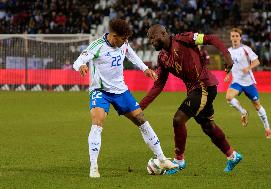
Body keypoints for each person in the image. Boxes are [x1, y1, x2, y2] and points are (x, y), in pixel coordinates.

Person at [73, 19, 178, 178]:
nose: (126, 42)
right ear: (114, 36)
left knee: (141, 120)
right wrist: (80, 65)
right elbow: (79, 60)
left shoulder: (123, 44)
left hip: (121, 91)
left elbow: (131, 54)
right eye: (123, 39)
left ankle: (162, 159)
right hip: (100, 91)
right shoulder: (97, 46)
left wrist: (145, 69)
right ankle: (94, 167)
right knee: (97, 122)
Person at [140, 24, 242, 174]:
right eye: (149, 40)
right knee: (207, 125)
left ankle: (179, 161)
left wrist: (227, 57)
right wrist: (139, 106)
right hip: (194, 90)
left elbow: (212, 38)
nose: (151, 42)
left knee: (178, 119)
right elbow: (159, 84)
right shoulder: (162, 57)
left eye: (153, 38)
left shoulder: (184, 39)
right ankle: (232, 155)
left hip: (204, 85)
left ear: (163, 33)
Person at [224, 28, 271, 138]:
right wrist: (227, 74)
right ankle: (243, 112)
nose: (235, 38)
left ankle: (267, 128)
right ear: (230, 38)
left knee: (257, 106)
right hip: (237, 82)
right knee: (229, 97)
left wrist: (249, 67)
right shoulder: (229, 51)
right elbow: (229, 65)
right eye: (233, 36)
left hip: (249, 83)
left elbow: (257, 61)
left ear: (240, 37)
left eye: (237, 36)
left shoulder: (246, 49)